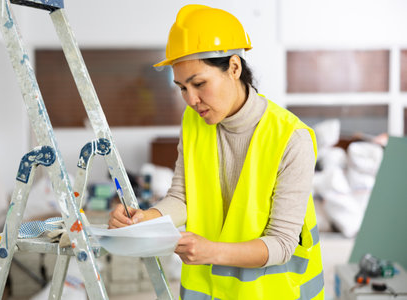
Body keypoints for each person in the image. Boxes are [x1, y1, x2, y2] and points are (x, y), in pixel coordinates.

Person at [108, 4, 324, 299]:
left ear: (234, 67)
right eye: (182, 88)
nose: (191, 99)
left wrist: (211, 251)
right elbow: (183, 197)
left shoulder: (291, 138)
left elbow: (282, 244)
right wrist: (145, 218)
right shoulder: (194, 122)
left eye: (199, 83)